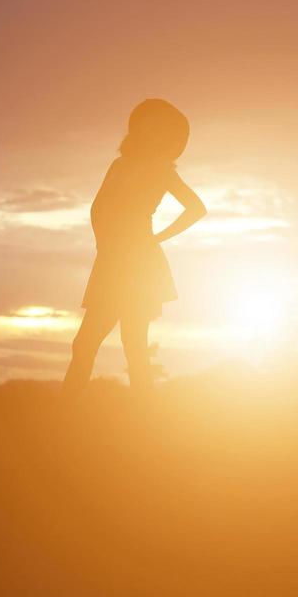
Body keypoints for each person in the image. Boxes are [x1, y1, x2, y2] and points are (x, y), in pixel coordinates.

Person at [64, 99, 206, 394]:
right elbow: (100, 206)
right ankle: (72, 415)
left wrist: (157, 238)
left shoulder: (161, 169)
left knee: (125, 345)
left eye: (159, 128)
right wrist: (104, 244)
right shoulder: (120, 164)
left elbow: (196, 208)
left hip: (138, 263)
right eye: (147, 125)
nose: (151, 131)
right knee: (96, 345)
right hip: (111, 260)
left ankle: (134, 418)